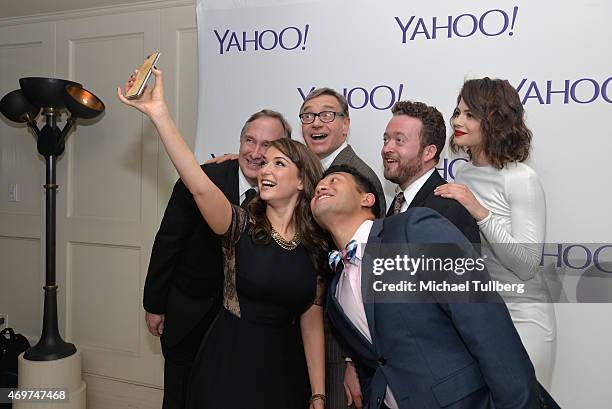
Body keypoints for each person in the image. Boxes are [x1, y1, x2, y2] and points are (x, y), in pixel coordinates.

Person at [118, 67, 328, 409]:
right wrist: (160, 115)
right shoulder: (239, 226)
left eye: (278, 162)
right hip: (227, 364)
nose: (264, 168)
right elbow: (198, 185)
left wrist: (318, 394)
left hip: (282, 370)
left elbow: (311, 316)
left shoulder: (315, 243)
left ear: (303, 180)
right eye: (264, 162)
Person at [311, 164, 540, 409]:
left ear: (366, 199)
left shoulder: (412, 229)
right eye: (317, 189)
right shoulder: (336, 292)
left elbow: (486, 323)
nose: (322, 186)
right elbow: (374, 367)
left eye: (335, 180)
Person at [143, 108, 290, 408]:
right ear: (239, 141)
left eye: (267, 145)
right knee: (179, 398)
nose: (255, 152)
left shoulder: (286, 193)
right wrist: (154, 305)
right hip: (191, 314)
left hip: (247, 330)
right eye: (250, 141)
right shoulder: (201, 178)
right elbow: (168, 241)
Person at [434, 77, 556, 389]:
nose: (458, 121)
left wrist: (478, 209)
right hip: (478, 317)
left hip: (523, 315)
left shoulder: (521, 179)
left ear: (496, 120)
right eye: (457, 112)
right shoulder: (463, 173)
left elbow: (526, 265)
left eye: (470, 115)